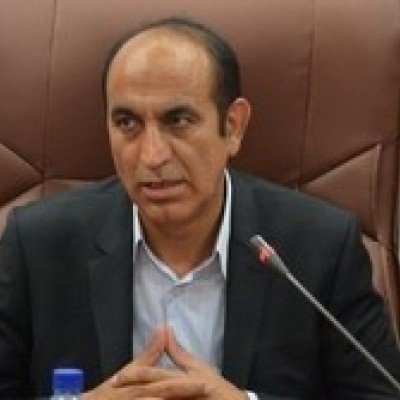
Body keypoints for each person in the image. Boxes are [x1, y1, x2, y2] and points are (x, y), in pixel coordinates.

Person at [0, 16, 399, 400]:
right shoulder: (38, 244)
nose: (152, 155)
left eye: (178, 120)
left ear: (234, 126)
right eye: (127, 123)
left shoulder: (319, 247)